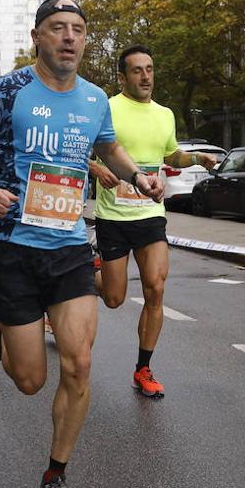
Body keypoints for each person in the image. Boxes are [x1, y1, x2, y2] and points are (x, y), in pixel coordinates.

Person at [0, 0, 162, 488]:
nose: (69, 37)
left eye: (77, 30)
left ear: (85, 40)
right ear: (37, 39)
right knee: (30, 380)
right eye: (57, 29)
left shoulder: (95, 99)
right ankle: (3, 322)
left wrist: (138, 176)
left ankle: (54, 480)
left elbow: (109, 147)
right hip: (10, 244)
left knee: (81, 362)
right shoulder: (8, 91)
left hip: (68, 244)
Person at [87, 45, 216, 398]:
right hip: (113, 216)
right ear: (122, 77)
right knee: (113, 298)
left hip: (150, 213)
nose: (146, 76)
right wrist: (96, 166)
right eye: (137, 70)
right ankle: (86, 273)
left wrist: (196, 158)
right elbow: (82, 149)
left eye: (150, 69)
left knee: (156, 288)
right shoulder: (106, 108)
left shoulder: (165, 114)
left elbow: (170, 152)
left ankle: (143, 368)